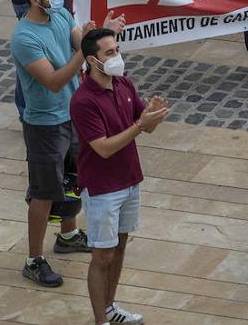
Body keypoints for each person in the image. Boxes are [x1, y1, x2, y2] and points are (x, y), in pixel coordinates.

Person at [12, 0, 122, 286]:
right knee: (43, 193)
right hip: (44, 124)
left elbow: (82, 41)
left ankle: (69, 235)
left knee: (75, 178)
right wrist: (85, 49)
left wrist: (102, 36)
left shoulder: (59, 16)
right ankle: (34, 259)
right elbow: (56, 80)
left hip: (73, 114)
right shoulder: (24, 38)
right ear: (36, 0)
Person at [71, 28, 168, 325]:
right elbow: (102, 148)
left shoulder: (124, 84)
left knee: (119, 246)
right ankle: (101, 319)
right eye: (109, 53)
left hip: (129, 179)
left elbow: (143, 125)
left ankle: (111, 307)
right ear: (92, 59)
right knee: (102, 257)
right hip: (102, 189)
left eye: (117, 50)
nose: (117, 56)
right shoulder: (83, 100)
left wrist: (151, 115)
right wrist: (140, 125)